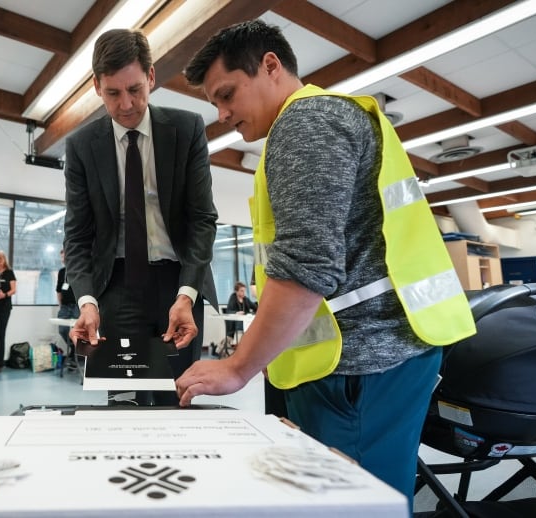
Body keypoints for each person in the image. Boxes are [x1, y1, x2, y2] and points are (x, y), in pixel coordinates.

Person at [176, 20, 475, 505]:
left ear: (270, 65)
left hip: (359, 363)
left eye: (227, 94)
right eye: (215, 103)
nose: (224, 113)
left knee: (350, 505)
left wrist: (238, 367)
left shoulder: (306, 124)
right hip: (373, 358)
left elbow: (306, 268)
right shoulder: (323, 122)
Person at [63, 28, 218, 406]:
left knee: (177, 398)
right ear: (97, 86)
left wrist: (187, 293)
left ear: (151, 77)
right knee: (122, 401)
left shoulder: (186, 129)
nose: (127, 104)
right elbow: (78, 236)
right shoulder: (82, 146)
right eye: (113, 93)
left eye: (135, 89)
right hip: (114, 287)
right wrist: (86, 301)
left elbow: (202, 219)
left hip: (178, 286)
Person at [56, 248, 79, 363]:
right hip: (65, 307)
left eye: (64, 256)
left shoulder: (79, 270)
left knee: (77, 331)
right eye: (61, 257)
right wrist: (61, 305)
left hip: (77, 306)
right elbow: (59, 291)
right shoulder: (61, 272)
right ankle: (75, 349)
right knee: (62, 329)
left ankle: (76, 354)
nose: (63, 259)